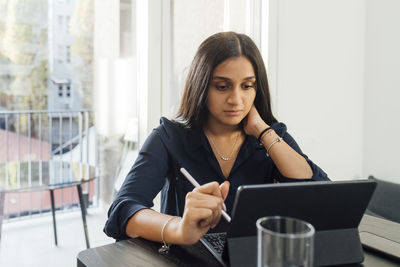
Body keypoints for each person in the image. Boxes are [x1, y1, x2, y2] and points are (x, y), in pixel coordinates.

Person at [104, 32, 329, 248]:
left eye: (247, 86)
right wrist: (180, 229)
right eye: (222, 86)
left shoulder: (271, 137)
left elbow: (323, 197)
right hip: (186, 259)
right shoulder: (169, 137)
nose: (236, 99)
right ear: (201, 85)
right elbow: (123, 210)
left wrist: (262, 130)